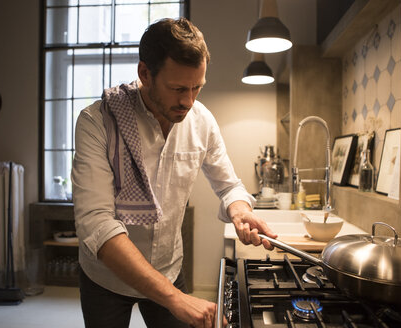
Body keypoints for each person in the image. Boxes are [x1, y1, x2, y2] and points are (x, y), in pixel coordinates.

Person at [71, 17, 277, 328]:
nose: (188, 101)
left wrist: (240, 210)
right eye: (178, 88)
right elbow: (96, 224)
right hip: (106, 279)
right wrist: (175, 298)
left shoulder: (201, 120)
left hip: (169, 267)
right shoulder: (97, 123)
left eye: (197, 87)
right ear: (145, 74)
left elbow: (229, 185)